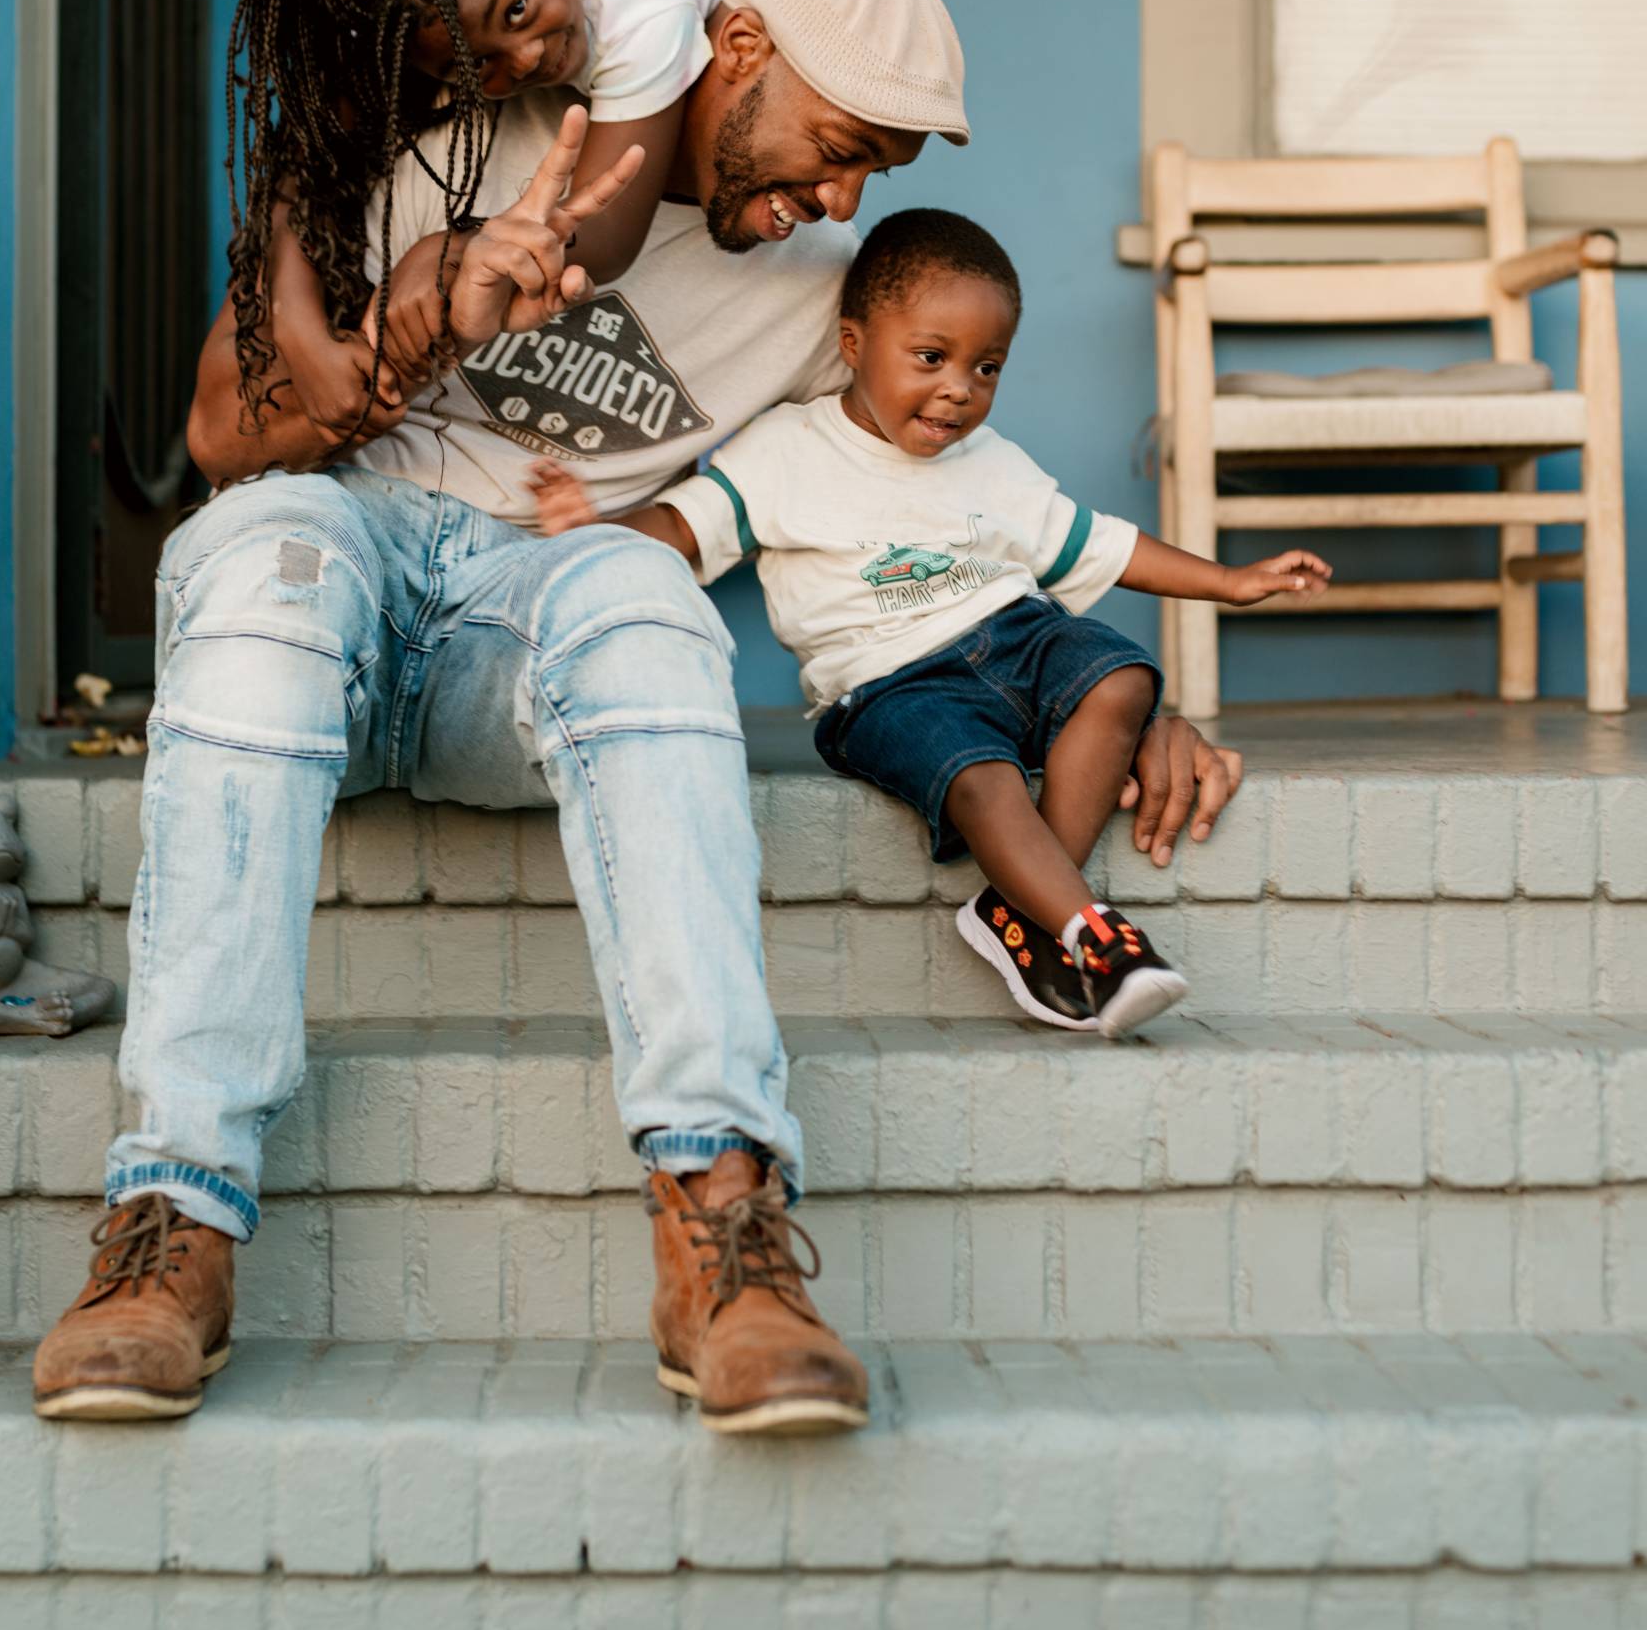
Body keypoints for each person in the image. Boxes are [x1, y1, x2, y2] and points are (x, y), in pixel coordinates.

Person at [31, 0, 1245, 1437]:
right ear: (735, 49)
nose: (845, 193)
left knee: (645, 589)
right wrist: (417, 327)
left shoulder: (826, 297)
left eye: (882, 172)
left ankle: (724, 1229)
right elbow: (220, 430)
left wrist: (1101, 685)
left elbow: (957, 507)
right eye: (837, 141)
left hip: (530, 640)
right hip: (336, 576)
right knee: (266, 538)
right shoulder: (471, 133)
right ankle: (174, 1224)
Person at [534, 206, 1328, 1037]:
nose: (960, 388)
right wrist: (591, 533)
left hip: (1017, 637)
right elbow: (683, 529)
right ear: (852, 343)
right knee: (977, 774)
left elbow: (1099, 542)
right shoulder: (782, 451)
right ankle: (1089, 931)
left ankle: (1017, 912)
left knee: (1121, 673)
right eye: (930, 358)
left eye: (987, 368)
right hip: (888, 687)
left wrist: (1231, 581)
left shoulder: (992, 461)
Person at [232, 0, 738, 444]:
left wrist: (451, 251)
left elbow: (606, 236)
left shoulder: (643, 12)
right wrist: (300, 333)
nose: (524, 60)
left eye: (517, 10)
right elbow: (304, 158)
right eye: (475, 66)